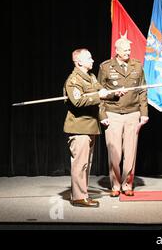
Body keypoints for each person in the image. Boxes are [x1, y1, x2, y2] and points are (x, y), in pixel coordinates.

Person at [97, 38, 149, 197]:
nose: (128, 52)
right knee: (115, 152)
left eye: (129, 50)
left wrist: (144, 113)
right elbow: (99, 92)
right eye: (125, 50)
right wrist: (102, 114)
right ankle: (115, 184)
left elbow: (142, 91)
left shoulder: (137, 66)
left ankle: (127, 184)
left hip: (133, 113)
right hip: (113, 113)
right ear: (117, 50)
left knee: (130, 152)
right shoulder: (106, 67)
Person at [63, 48, 110, 208]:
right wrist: (99, 95)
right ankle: (78, 197)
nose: (93, 61)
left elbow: (100, 92)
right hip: (79, 128)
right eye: (89, 58)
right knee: (80, 164)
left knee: (86, 164)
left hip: (90, 127)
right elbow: (78, 102)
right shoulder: (73, 80)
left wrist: (114, 94)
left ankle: (82, 194)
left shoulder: (90, 77)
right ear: (79, 62)